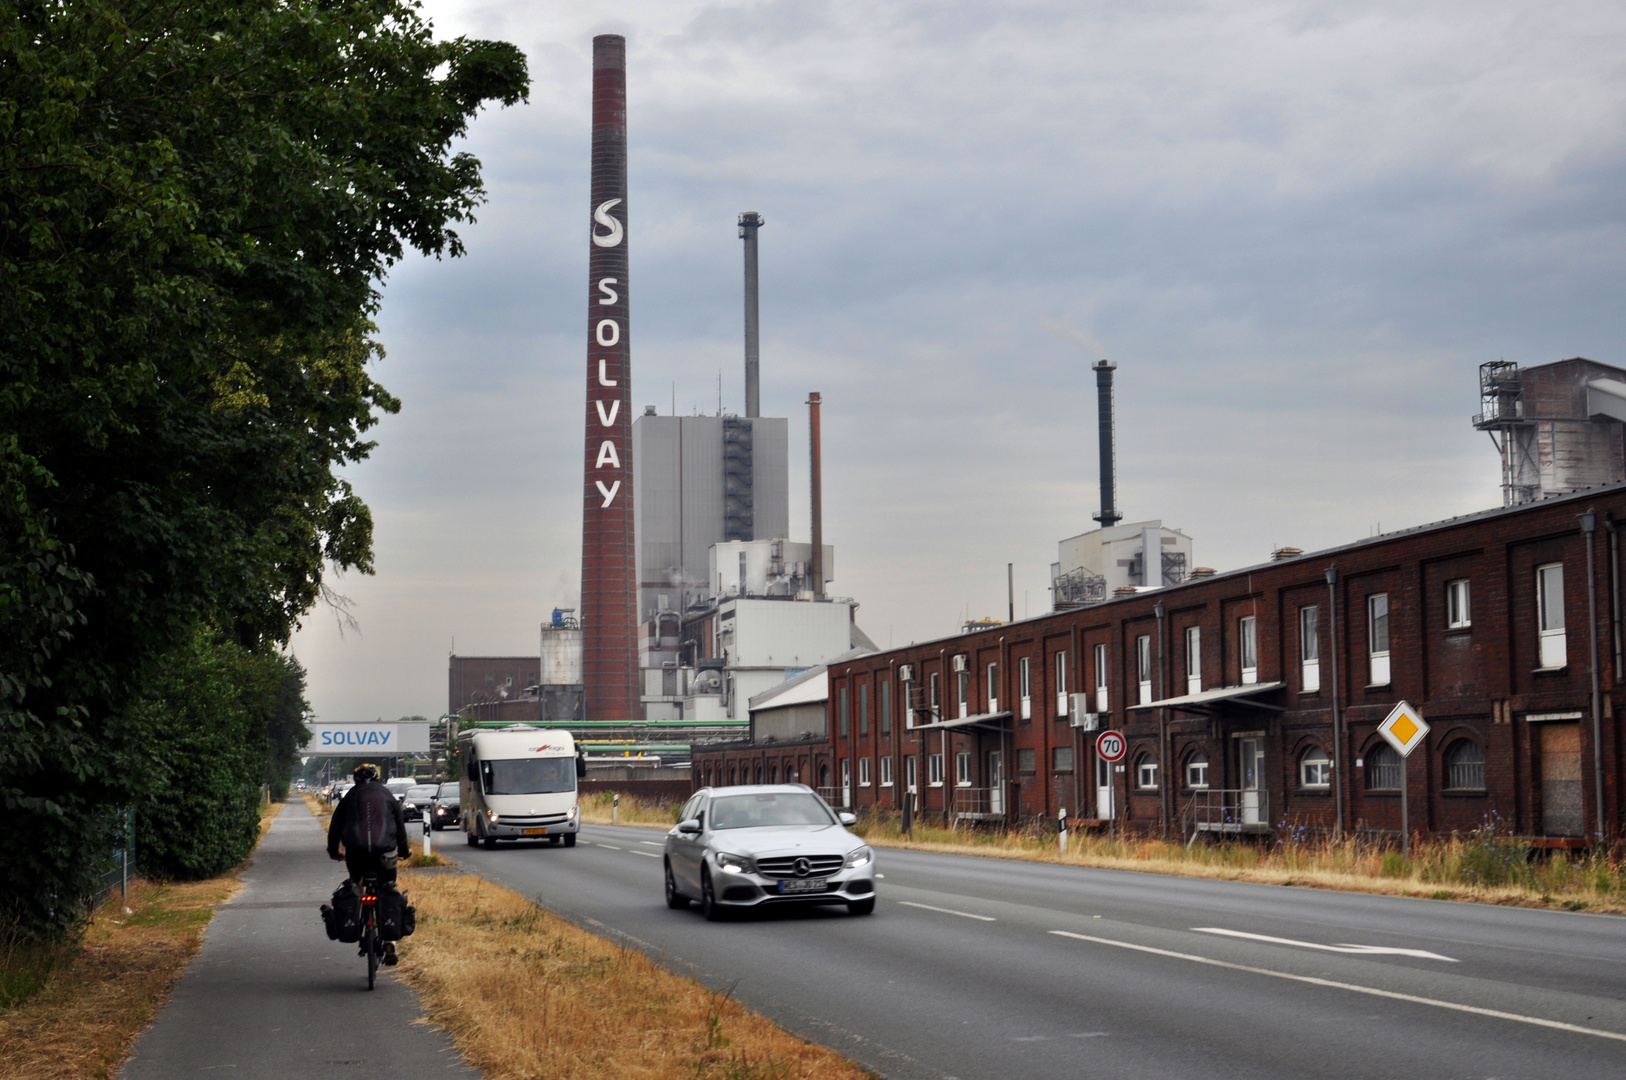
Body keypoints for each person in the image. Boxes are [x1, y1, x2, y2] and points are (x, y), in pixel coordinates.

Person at [327, 763, 411, 965]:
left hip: (356, 854)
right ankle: (389, 941)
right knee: (388, 889)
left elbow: (335, 826)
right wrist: (404, 851)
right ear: (378, 779)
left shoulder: (349, 797)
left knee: (356, 885)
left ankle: (356, 916)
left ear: (355, 780)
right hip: (385, 854)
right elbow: (400, 826)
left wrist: (333, 851)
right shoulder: (388, 796)